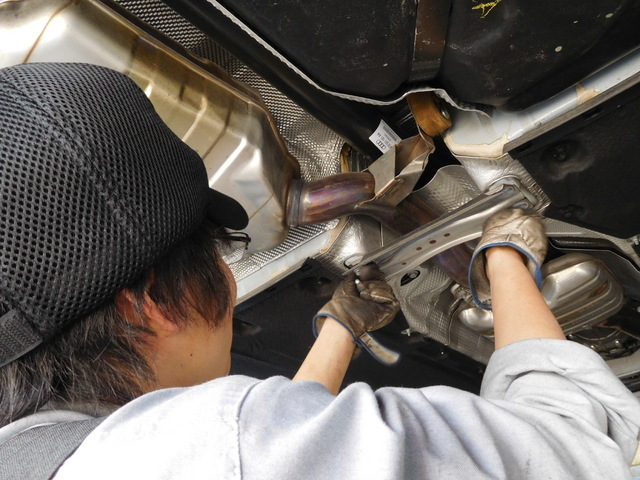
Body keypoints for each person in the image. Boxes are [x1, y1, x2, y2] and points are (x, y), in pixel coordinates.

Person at [0, 62, 638, 480]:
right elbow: (578, 442)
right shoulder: (221, 453)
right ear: (153, 304)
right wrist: (505, 259)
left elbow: (278, 441)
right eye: (218, 255)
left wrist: (341, 326)